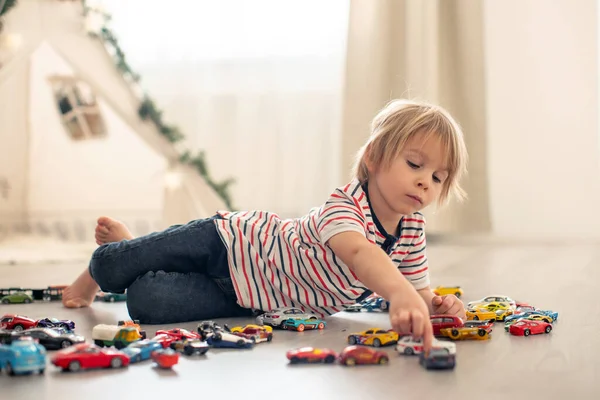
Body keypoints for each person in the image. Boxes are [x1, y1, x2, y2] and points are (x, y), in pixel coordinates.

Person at [62, 99, 468, 352]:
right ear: (375, 158)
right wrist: (398, 291)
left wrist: (435, 306)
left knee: (146, 304)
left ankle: (131, 250)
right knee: (117, 267)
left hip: (250, 297)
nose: (424, 182)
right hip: (230, 242)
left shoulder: (411, 229)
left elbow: (416, 289)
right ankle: (103, 264)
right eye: (415, 164)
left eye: (438, 177)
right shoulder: (345, 205)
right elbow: (362, 255)